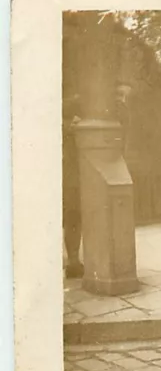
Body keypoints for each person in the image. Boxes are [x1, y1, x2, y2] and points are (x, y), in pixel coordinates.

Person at [62, 93, 84, 278]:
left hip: (80, 173)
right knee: (72, 216)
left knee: (74, 217)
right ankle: (73, 261)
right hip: (67, 173)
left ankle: (74, 260)